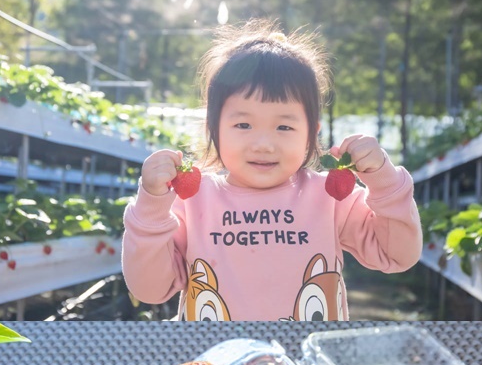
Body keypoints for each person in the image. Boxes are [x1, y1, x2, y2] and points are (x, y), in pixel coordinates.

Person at [122, 19, 422, 320]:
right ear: (214, 129)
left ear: (311, 134)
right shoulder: (193, 201)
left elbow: (396, 255)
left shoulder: (329, 197)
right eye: (243, 124)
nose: (264, 143)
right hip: (217, 361)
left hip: (302, 362)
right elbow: (150, 289)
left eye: (284, 126)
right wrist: (150, 206)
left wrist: (383, 180)